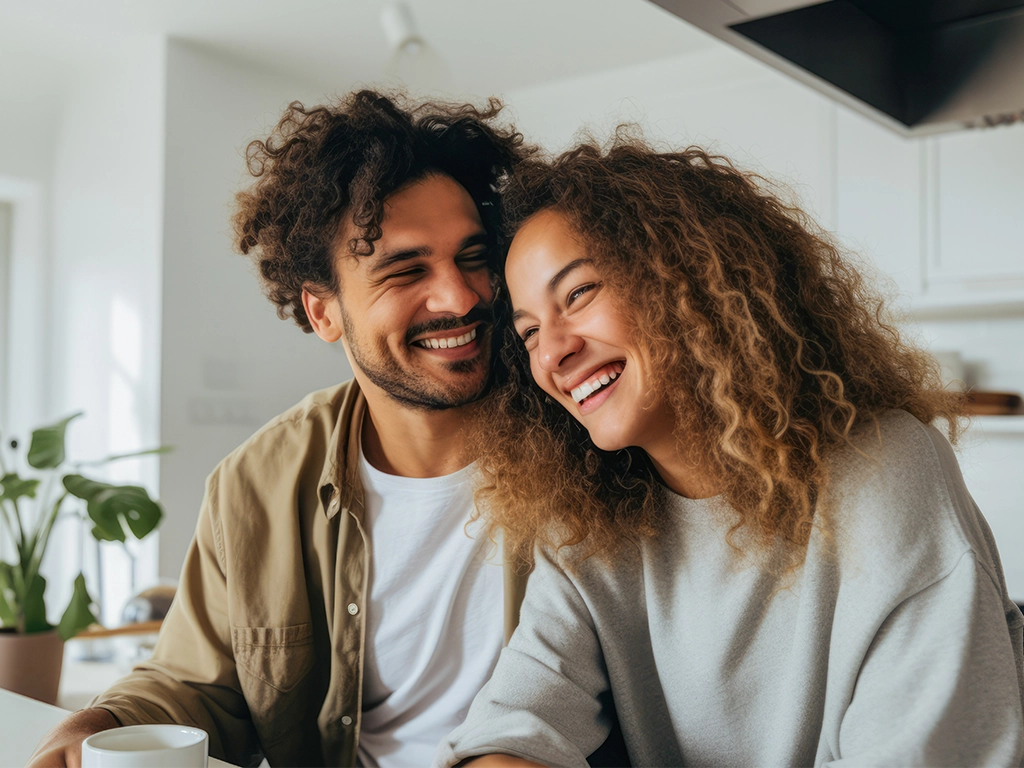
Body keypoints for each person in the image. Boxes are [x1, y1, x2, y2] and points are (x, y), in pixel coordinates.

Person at [435, 137, 1024, 767]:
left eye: (578, 295)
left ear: (684, 277)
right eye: (527, 331)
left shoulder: (884, 465)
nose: (551, 354)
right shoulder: (586, 528)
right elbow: (509, 731)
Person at [27, 90, 536, 768]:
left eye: (473, 257)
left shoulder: (580, 445)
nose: (462, 296)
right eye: (405, 271)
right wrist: (92, 724)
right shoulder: (256, 484)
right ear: (323, 313)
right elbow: (191, 683)